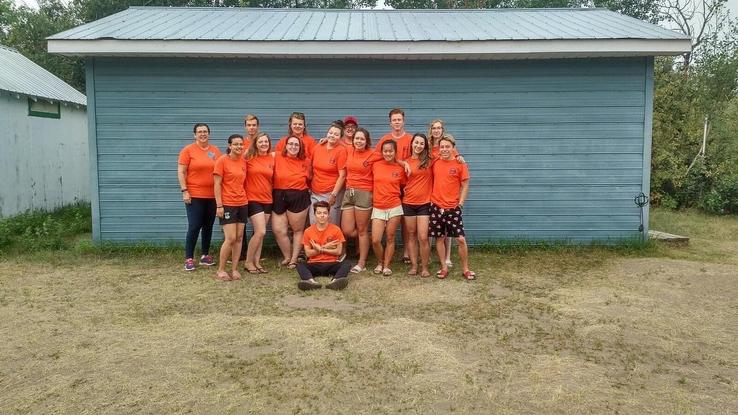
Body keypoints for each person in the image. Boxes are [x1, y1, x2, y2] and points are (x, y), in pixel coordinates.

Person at [177, 123, 222, 271]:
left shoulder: (215, 151)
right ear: (194, 135)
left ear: (209, 134)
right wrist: (184, 190)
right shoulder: (188, 150)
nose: (203, 134)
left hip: (212, 196)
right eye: (200, 132)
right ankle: (189, 258)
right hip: (194, 196)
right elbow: (181, 172)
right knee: (195, 226)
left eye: (205, 131)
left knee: (208, 227)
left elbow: (221, 172)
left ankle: (205, 256)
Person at [430, 135, 475, 280]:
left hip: (453, 208)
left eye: (447, 147)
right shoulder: (435, 162)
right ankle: (443, 268)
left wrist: (460, 203)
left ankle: (466, 269)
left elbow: (465, 184)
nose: (444, 149)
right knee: (439, 238)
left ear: (453, 148)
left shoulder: (460, 164)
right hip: (437, 206)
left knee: (460, 239)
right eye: (442, 147)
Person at [341, 128, 382, 273]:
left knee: (362, 230)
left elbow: (390, 157)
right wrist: (326, 140)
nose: (359, 141)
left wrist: (404, 163)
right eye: (357, 138)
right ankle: (372, 239)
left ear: (367, 141)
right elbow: (335, 144)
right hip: (349, 192)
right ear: (353, 140)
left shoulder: (373, 154)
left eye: (362, 139)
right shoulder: (347, 150)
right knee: (346, 229)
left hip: (364, 193)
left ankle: (361, 262)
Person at [376, 108, 413, 264]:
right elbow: (377, 157)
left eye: (399, 119)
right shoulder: (385, 139)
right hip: (390, 183)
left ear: (403, 121)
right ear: (390, 122)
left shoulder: (411, 139)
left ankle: (406, 252)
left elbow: (418, 156)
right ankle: (387, 251)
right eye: (394, 120)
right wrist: (400, 162)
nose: (397, 122)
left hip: (408, 183)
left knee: (406, 221)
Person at [272, 135, 312, 269]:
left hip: (299, 195)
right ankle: (287, 256)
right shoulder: (276, 156)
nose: (293, 147)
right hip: (279, 194)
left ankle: (294, 259)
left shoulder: (306, 161)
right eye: (290, 144)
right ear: (286, 145)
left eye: (296, 145)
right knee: (278, 230)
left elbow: (310, 179)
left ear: (300, 147)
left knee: (297, 229)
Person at [213, 134, 249, 281]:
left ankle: (234, 269)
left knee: (239, 238)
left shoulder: (243, 161)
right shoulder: (222, 160)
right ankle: (221, 270)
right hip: (227, 203)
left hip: (242, 203)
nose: (239, 147)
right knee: (231, 238)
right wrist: (219, 205)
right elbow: (217, 184)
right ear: (229, 146)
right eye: (236, 144)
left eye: (241, 144)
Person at [371, 139, 407, 276]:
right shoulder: (375, 165)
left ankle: (386, 265)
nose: (388, 153)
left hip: (394, 206)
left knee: (390, 237)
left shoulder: (400, 168)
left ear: (395, 152)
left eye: (390, 151)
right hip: (378, 206)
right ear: (382, 152)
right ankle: (380, 262)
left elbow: (404, 186)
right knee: (375, 240)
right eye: (385, 151)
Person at [296, 201, 351, 291]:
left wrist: (320, 248)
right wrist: (326, 247)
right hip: (314, 264)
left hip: (331, 263)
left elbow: (338, 251)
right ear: (314, 214)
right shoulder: (308, 231)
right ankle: (311, 282)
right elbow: (308, 254)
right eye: (319, 213)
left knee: (347, 264)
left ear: (329, 214)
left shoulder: (336, 230)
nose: (322, 215)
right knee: (300, 265)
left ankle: (335, 282)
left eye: (325, 213)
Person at [402, 133, 433, 278]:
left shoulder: (430, 161)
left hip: (424, 203)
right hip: (408, 202)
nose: (418, 145)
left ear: (425, 146)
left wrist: (458, 156)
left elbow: (447, 154)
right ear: (412, 144)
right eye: (416, 143)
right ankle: (414, 266)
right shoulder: (406, 161)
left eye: (421, 143)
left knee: (423, 237)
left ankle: (425, 267)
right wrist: (402, 163)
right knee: (411, 235)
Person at [243, 132, 273, 274]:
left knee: (260, 233)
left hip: (268, 199)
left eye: (266, 142)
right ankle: (248, 262)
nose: (263, 144)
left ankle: (257, 261)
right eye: (260, 142)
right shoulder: (248, 157)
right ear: (255, 144)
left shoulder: (272, 158)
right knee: (260, 231)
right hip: (253, 199)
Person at [310, 122, 347, 225]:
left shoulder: (341, 151)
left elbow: (342, 175)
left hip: (330, 193)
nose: (332, 135)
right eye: (330, 132)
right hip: (315, 193)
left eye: (336, 134)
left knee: (331, 225)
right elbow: (311, 167)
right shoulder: (318, 147)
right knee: (314, 222)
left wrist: (334, 194)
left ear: (340, 137)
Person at [428, 119, 454, 268]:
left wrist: (460, 158)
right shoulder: (429, 147)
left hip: (446, 191)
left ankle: (448, 256)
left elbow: (456, 159)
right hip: (431, 189)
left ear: (442, 130)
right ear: (430, 130)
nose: (436, 130)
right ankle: (430, 255)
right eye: (434, 128)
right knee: (433, 227)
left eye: (439, 128)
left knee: (447, 228)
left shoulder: (447, 145)